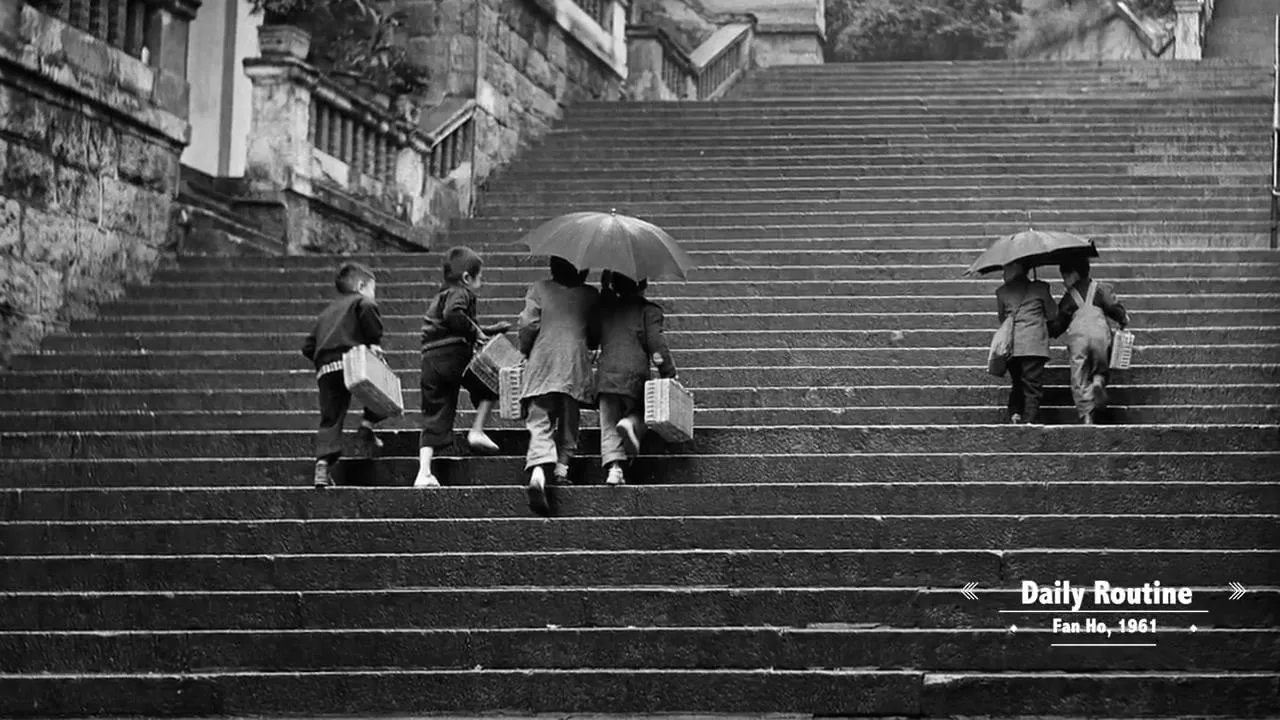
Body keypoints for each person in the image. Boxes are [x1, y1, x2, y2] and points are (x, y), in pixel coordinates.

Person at [414, 246, 512, 488]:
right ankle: (477, 430)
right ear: (467, 278)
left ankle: (424, 471)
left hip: (430, 361)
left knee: (434, 412)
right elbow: (454, 315)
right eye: (480, 276)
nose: (482, 280)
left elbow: (458, 321)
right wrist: (477, 331)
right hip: (453, 356)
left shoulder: (441, 295)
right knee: (491, 382)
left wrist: (489, 329)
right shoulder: (462, 293)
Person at [517, 256, 600, 512]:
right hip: (573, 367)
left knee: (539, 421)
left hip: (542, 364)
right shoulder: (590, 295)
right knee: (569, 421)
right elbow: (596, 331)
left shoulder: (540, 288)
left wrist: (525, 348)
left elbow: (528, 324)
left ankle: (539, 471)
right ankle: (562, 468)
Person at [302, 262, 387, 489]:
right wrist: (373, 341)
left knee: (331, 417)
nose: (372, 295)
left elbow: (308, 346)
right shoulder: (362, 301)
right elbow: (369, 308)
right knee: (381, 389)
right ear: (361, 286)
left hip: (326, 368)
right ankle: (367, 425)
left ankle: (322, 465)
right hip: (354, 361)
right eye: (372, 289)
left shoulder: (326, 313)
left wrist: (324, 360)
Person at [595, 270, 677, 486]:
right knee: (641, 411)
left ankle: (614, 469)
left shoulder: (606, 308)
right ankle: (631, 423)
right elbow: (656, 345)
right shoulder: (648, 311)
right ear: (643, 285)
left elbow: (593, 337)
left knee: (608, 425)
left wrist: (604, 291)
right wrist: (667, 372)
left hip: (606, 377)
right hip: (634, 375)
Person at [1049, 257, 1130, 425]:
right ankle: (1098, 381)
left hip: (1078, 338)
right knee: (1101, 363)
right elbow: (1113, 306)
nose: (1064, 282)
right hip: (1100, 334)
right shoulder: (1100, 288)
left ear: (1074, 275)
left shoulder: (1069, 297)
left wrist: (1048, 326)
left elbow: (1058, 325)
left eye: (1065, 277)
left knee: (1079, 375)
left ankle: (1087, 414)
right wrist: (1122, 318)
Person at [995, 261, 1058, 424]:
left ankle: (1015, 413)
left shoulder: (1002, 292)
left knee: (1017, 382)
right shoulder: (1041, 288)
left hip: (1012, 345)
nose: (1004, 273)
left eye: (1006, 268)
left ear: (1017, 269)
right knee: (1032, 386)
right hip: (1034, 345)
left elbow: (1002, 318)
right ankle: (1030, 420)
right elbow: (1052, 314)